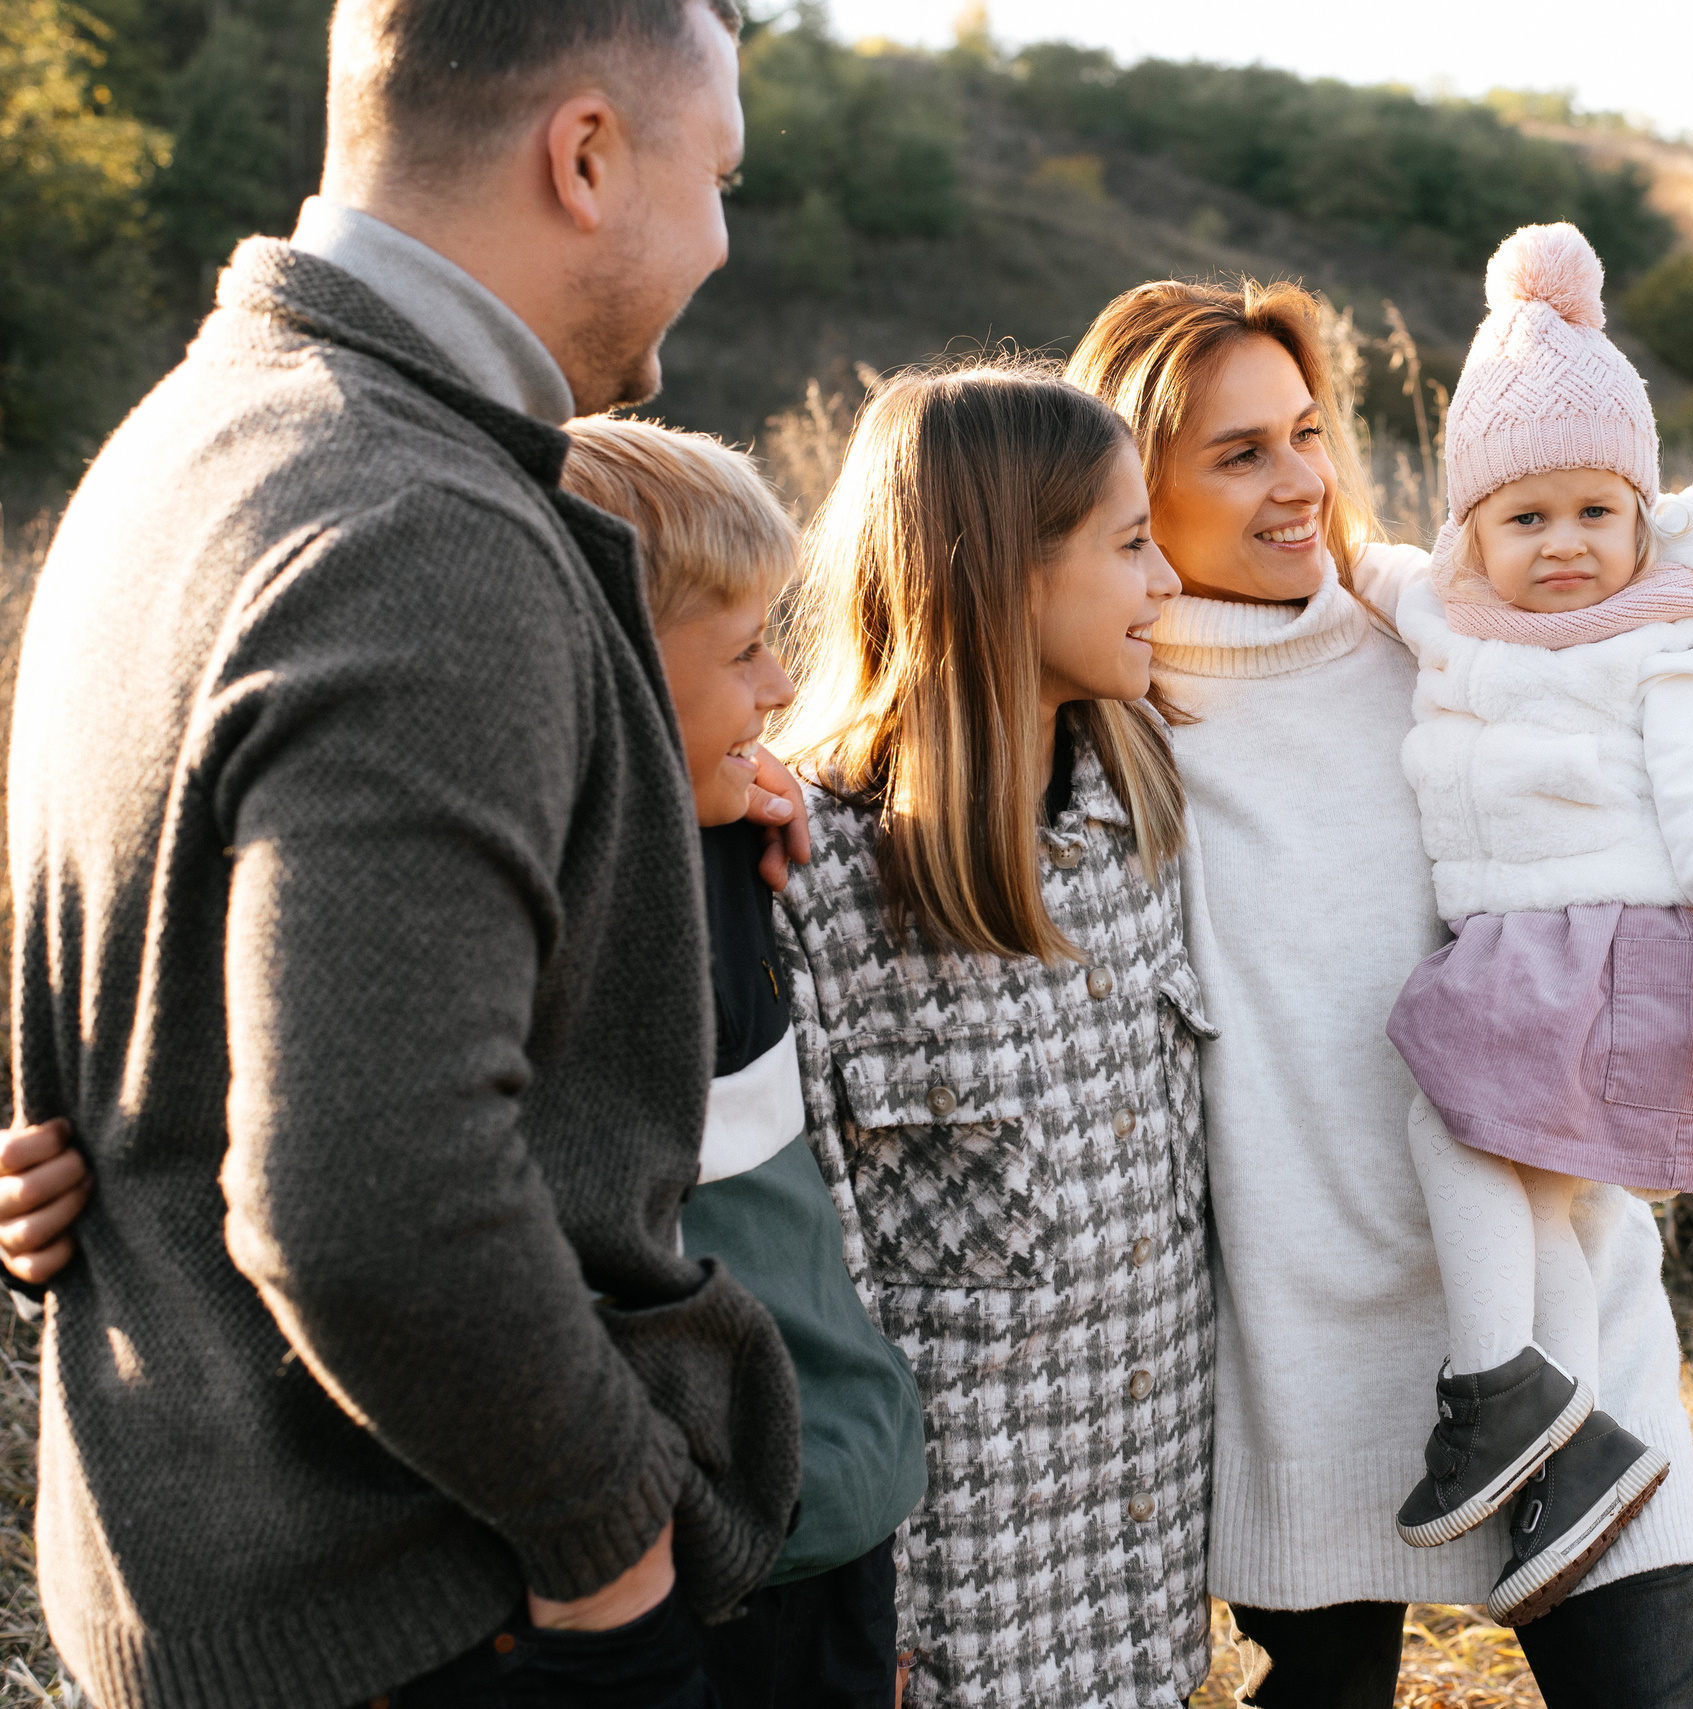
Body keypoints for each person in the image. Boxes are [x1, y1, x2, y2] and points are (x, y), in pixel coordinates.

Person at [5, 4, 810, 1705]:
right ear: (585, 157)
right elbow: (373, 1201)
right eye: (719, 179)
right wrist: (619, 1563)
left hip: (233, 1588)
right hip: (439, 1613)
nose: (729, 243)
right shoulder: (411, 525)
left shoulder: (184, 444)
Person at [1068, 279, 1693, 1706]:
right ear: (1129, 485)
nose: (1301, 482)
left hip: (1557, 1304)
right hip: (1307, 1355)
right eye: (1239, 455)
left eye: (1306, 432)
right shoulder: (1109, 721)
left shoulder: (1444, 641)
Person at [1350, 224, 1693, 1626]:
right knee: (1527, 1177)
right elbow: (1376, 571)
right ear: (1472, 531)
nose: (1565, 549)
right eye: (1526, 518)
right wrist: (1314, 534)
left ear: (1643, 515)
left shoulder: (1662, 644)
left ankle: (1502, 1392)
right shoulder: (1460, 616)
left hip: (1599, 955)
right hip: (1530, 959)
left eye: (1596, 514)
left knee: (1454, 1125)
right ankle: (1572, 1441)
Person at [764, 366, 1209, 1706]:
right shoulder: (806, 876)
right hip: (948, 1622)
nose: (1167, 583)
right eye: (1131, 546)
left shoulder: (1135, 818)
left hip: (1143, 1585)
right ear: (1010, 570)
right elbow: (799, 1295)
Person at [557, 418, 931, 1708]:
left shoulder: (741, 851)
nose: (783, 685)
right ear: (609, 674)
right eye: (748, 650)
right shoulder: (539, 936)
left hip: (836, 1510)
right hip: (696, 1561)